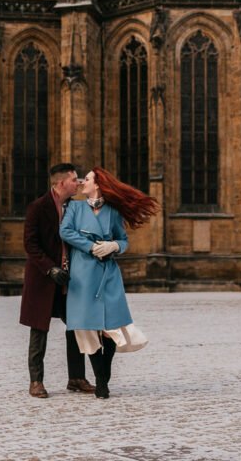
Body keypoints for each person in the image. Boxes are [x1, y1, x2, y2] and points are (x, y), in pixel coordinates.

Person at [60, 167, 159, 399]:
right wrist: (91, 246)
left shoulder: (113, 212)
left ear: (98, 184)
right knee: (87, 329)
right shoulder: (74, 207)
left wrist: (114, 246)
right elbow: (65, 231)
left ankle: (103, 378)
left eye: (89, 178)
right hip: (83, 275)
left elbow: (123, 241)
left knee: (110, 327)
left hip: (108, 274)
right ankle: (101, 381)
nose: (83, 181)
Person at [19, 162, 96, 399]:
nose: (79, 182)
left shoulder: (76, 207)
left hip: (68, 280)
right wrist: (50, 269)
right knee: (39, 329)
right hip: (44, 279)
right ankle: (36, 381)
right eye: (75, 179)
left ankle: (76, 378)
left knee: (75, 326)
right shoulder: (38, 207)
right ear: (61, 183)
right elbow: (31, 245)